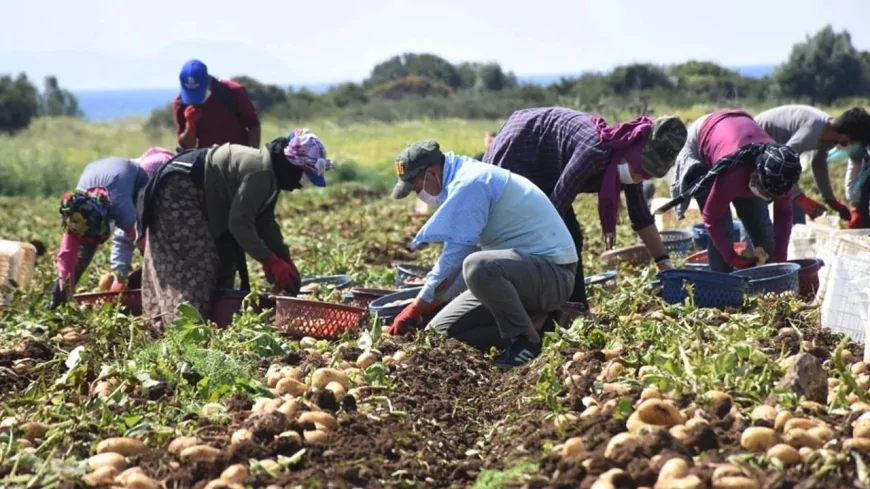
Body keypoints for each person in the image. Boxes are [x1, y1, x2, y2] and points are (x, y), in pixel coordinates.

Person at [387, 139, 578, 368]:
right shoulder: (460, 183)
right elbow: (461, 264)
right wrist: (433, 302)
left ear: (432, 173)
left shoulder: (470, 183)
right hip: (517, 275)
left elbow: (457, 258)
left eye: (417, 188)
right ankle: (547, 326)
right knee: (438, 335)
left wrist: (417, 305)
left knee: (478, 266)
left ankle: (526, 339)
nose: (419, 195)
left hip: (552, 276)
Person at [482, 107, 687, 316]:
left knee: (568, 236)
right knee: (554, 234)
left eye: (647, 174)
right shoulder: (594, 154)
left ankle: (573, 305)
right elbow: (555, 208)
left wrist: (664, 264)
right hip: (522, 150)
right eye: (639, 169)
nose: (639, 177)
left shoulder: (625, 158)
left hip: (548, 162)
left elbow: (641, 215)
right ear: (633, 150)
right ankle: (540, 302)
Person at [136, 129, 335, 327]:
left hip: (197, 193)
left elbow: (264, 221)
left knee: (226, 259)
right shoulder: (261, 173)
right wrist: (269, 260)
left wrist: (283, 257)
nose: (301, 185)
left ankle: (214, 321)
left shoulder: (271, 177)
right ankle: (181, 327)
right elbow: (239, 224)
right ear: (293, 166)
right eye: (304, 179)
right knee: (197, 262)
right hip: (178, 190)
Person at [659, 110, 802, 272]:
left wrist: (780, 256)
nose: (766, 197)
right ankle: (722, 283)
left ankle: (759, 283)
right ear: (756, 173)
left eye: (770, 196)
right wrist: (731, 257)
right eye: (764, 191)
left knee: (764, 234)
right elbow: (712, 217)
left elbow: (783, 215)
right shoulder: (733, 175)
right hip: (700, 143)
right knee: (723, 230)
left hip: (734, 134)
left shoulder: (782, 176)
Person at [48, 157, 153, 308]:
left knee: (148, 228)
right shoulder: (76, 219)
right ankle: (56, 302)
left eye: (95, 239)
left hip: (134, 175)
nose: (94, 244)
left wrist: (123, 280)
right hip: (95, 170)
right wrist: (64, 289)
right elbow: (66, 256)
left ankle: (154, 290)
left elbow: (149, 244)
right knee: (81, 257)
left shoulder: (122, 211)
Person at [755, 105, 870, 225]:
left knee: (791, 209)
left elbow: (818, 164)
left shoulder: (829, 135)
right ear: (846, 138)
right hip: (755, 144)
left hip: (771, 154)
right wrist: (799, 197)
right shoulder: (812, 132)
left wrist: (829, 199)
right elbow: (781, 163)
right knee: (766, 209)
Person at [173, 59, 262, 151]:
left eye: (199, 91)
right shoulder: (181, 103)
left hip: (237, 157)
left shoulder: (232, 91)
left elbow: (254, 126)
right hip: (207, 159)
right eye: (191, 93)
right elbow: (188, 146)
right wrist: (190, 125)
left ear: (208, 80)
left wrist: (249, 156)